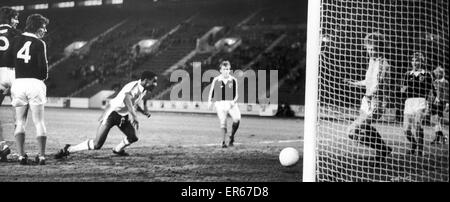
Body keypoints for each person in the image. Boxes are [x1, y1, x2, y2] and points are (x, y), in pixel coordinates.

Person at [54, 71, 157, 159]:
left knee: (133, 137)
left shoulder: (143, 89)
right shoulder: (135, 86)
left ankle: (117, 149)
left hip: (123, 116)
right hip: (112, 114)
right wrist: (134, 116)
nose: (155, 84)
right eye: (154, 81)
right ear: (146, 80)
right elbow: (127, 99)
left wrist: (143, 112)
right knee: (97, 144)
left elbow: (133, 102)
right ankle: (69, 149)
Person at [7, 14, 49, 165]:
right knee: (39, 122)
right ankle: (42, 156)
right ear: (37, 28)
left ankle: (20, 155)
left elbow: (9, 60)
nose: (45, 31)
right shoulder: (39, 43)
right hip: (35, 84)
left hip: (18, 83)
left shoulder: (16, 40)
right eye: (44, 27)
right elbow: (44, 71)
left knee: (20, 122)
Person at [345, 32, 392, 162]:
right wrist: (354, 83)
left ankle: (382, 149)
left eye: (373, 49)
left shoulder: (384, 64)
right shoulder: (372, 61)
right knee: (362, 129)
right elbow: (368, 81)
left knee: (351, 132)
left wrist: (372, 95)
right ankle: (383, 150)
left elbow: (379, 85)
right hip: (367, 100)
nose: (370, 52)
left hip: (376, 102)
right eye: (368, 49)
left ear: (379, 48)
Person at [400, 52, 434, 156]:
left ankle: (420, 150)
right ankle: (414, 144)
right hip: (409, 102)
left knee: (418, 125)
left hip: (421, 101)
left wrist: (430, 103)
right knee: (406, 130)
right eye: (413, 60)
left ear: (422, 62)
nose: (415, 63)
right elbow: (402, 89)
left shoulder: (426, 74)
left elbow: (432, 91)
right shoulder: (407, 74)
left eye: (417, 60)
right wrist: (402, 90)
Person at [0, 6, 21, 162]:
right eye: (15, 17)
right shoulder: (16, 33)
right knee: (19, 115)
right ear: (8, 19)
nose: (17, 21)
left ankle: (2, 146)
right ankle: (21, 153)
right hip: (14, 74)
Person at [207, 60, 241, 148]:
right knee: (223, 122)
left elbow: (236, 95)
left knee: (237, 119)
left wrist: (233, 102)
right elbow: (211, 92)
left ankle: (232, 136)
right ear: (221, 70)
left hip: (231, 103)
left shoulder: (233, 80)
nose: (226, 71)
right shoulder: (216, 80)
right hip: (220, 103)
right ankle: (223, 142)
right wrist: (210, 102)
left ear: (229, 70)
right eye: (224, 69)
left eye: (228, 69)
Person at [430, 65, 449, 144]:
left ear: (441, 73)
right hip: (434, 103)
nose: (436, 74)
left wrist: (447, 104)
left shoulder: (445, 82)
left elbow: (446, 93)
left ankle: (439, 138)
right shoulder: (435, 82)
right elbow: (433, 93)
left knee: (437, 120)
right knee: (434, 121)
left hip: (441, 103)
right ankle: (441, 138)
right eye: (435, 73)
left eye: (437, 72)